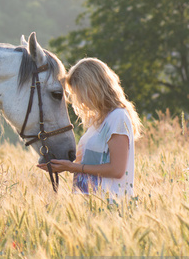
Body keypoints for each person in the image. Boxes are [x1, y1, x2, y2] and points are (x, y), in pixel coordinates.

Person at [37, 57, 142, 198]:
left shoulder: (118, 117)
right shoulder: (97, 121)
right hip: (90, 205)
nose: (79, 100)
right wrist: (62, 165)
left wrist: (72, 167)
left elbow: (117, 170)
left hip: (109, 205)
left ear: (93, 87)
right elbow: (94, 163)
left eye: (80, 92)